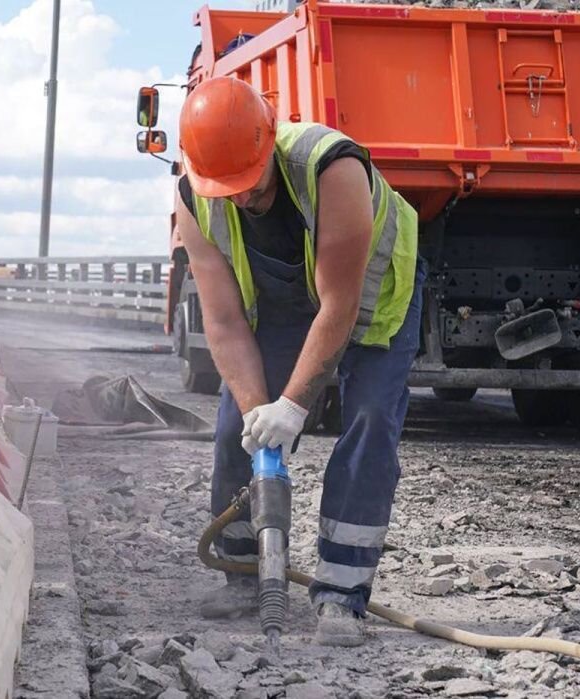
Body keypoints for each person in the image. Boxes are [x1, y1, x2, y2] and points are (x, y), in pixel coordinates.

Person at [174, 77, 422, 647]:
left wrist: (295, 404)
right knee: (240, 427)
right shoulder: (193, 197)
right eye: (225, 188)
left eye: (250, 183)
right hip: (286, 303)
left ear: (269, 143)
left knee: (369, 421)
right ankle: (242, 572)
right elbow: (225, 322)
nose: (240, 198)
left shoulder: (331, 166)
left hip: (375, 299)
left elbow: (338, 304)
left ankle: (342, 595)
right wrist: (264, 416)